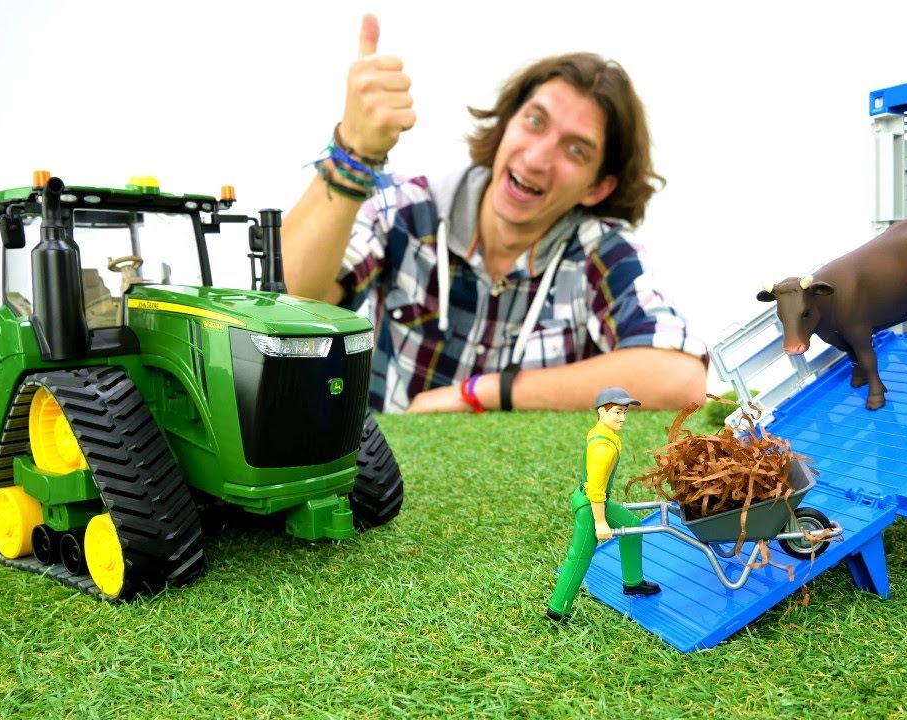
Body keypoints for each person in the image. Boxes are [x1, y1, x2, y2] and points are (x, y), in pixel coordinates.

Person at [281, 14, 708, 413]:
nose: (538, 158)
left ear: (598, 187)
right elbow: (287, 303)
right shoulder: (408, 208)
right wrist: (355, 152)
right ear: (506, 122)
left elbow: (681, 377)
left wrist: (482, 392)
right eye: (535, 122)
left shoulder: (600, 251)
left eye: (576, 150)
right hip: (380, 477)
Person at [546, 387, 659, 623]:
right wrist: (600, 523)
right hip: (591, 504)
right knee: (579, 557)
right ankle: (558, 610)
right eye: (617, 412)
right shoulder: (603, 449)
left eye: (625, 412)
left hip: (596, 499)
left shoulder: (601, 434)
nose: (623, 418)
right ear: (601, 412)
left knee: (631, 525)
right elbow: (595, 490)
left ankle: (633, 582)